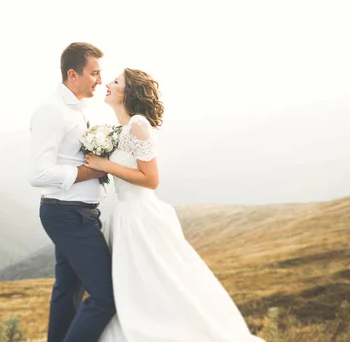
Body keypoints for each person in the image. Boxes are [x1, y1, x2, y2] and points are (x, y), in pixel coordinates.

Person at [84, 68, 266, 342]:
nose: (107, 84)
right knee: (132, 284)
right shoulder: (120, 130)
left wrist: (105, 165)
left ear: (129, 92)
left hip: (140, 216)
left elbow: (151, 179)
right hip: (122, 215)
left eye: (116, 81)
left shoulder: (138, 125)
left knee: (157, 281)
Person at [28, 42, 116, 342]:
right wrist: (93, 171)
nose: (100, 80)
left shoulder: (77, 110)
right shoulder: (52, 111)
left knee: (67, 293)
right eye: (95, 73)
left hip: (75, 213)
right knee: (106, 298)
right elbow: (39, 174)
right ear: (72, 74)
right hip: (68, 215)